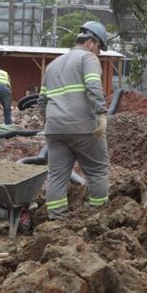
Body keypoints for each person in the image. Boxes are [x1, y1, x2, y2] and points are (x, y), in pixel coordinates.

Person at [38, 21, 110, 220]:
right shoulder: (88, 58)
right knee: (98, 171)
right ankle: (97, 217)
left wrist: (50, 121)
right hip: (83, 127)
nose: (99, 53)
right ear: (90, 43)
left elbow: (42, 100)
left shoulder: (52, 66)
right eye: (99, 48)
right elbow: (93, 86)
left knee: (57, 177)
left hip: (54, 130)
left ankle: (55, 220)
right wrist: (101, 113)